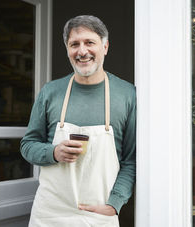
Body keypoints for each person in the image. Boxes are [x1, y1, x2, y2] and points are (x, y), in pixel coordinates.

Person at [20, 15, 136, 227]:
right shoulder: (50, 92)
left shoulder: (128, 95)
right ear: (67, 49)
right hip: (50, 213)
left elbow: (131, 160)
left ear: (105, 46)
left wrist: (115, 203)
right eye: (74, 44)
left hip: (99, 212)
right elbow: (27, 145)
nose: (82, 51)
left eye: (90, 42)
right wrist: (53, 152)